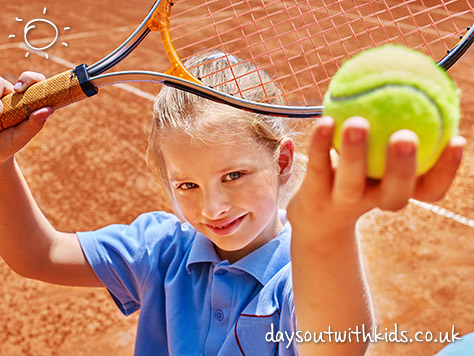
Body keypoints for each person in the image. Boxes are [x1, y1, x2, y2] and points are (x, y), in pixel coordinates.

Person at [0, 51, 465, 356]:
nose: (213, 207)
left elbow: (340, 346)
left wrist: (325, 233)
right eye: (186, 186)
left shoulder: (297, 279)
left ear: (282, 162)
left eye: (234, 175)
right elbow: (36, 255)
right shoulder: (161, 249)